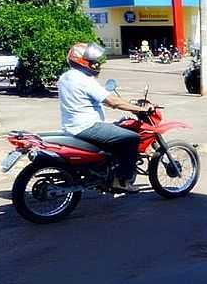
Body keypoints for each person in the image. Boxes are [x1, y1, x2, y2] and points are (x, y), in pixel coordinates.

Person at [58, 43, 154, 192]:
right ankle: (121, 181)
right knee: (131, 138)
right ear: (83, 61)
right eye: (93, 61)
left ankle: (104, 173)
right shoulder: (85, 80)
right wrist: (140, 109)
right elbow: (112, 101)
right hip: (88, 126)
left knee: (117, 130)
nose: (96, 64)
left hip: (72, 126)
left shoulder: (66, 77)